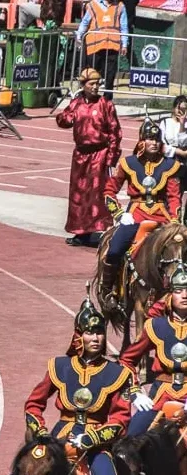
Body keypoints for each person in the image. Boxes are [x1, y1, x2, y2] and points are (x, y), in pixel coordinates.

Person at [24, 298, 131, 474]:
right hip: (60, 437)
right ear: (78, 336)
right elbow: (33, 405)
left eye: (99, 332)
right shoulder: (60, 366)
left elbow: (121, 419)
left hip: (96, 444)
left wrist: (92, 438)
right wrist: (41, 431)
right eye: (89, 333)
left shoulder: (116, 373)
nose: (95, 338)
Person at [99, 117, 179, 305]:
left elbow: (174, 197)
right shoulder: (128, 163)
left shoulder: (170, 166)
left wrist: (175, 220)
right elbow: (109, 191)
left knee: (180, 248)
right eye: (150, 139)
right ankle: (108, 291)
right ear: (141, 140)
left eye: (157, 139)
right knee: (115, 248)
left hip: (162, 216)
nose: (154, 143)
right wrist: (119, 214)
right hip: (134, 215)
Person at [56, 68, 121, 247]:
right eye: (91, 84)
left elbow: (115, 133)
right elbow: (64, 122)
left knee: (97, 194)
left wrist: (111, 159)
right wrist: (66, 113)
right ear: (83, 85)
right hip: (80, 155)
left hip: (99, 154)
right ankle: (80, 232)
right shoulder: (76, 104)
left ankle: (99, 230)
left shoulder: (106, 105)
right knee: (79, 194)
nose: (95, 87)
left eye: (97, 84)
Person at [119, 264, 187, 435]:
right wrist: (135, 393)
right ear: (170, 296)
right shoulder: (155, 326)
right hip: (160, 395)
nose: (185, 295)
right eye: (179, 291)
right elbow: (127, 360)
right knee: (129, 441)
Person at [76, 0, 129, 100]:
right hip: (94, 46)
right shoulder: (93, 5)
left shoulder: (120, 6)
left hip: (112, 46)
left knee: (110, 76)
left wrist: (124, 44)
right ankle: (88, 98)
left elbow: (124, 27)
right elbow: (85, 22)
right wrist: (79, 36)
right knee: (91, 75)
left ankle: (107, 102)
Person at [160, 95, 187, 189]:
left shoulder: (186, 124)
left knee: (179, 191)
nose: (181, 111)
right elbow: (161, 145)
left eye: (184, 109)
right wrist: (177, 151)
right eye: (178, 108)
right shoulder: (165, 122)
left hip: (183, 164)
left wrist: (182, 125)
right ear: (173, 108)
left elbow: (183, 144)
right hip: (167, 161)